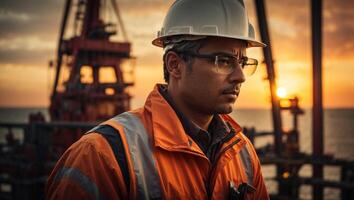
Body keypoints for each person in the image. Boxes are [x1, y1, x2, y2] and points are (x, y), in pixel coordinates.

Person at [45, 0, 269, 199]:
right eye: (224, 61)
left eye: (243, 63)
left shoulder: (243, 153)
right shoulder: (100, 156)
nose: (240, 76)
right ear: (175, 65)